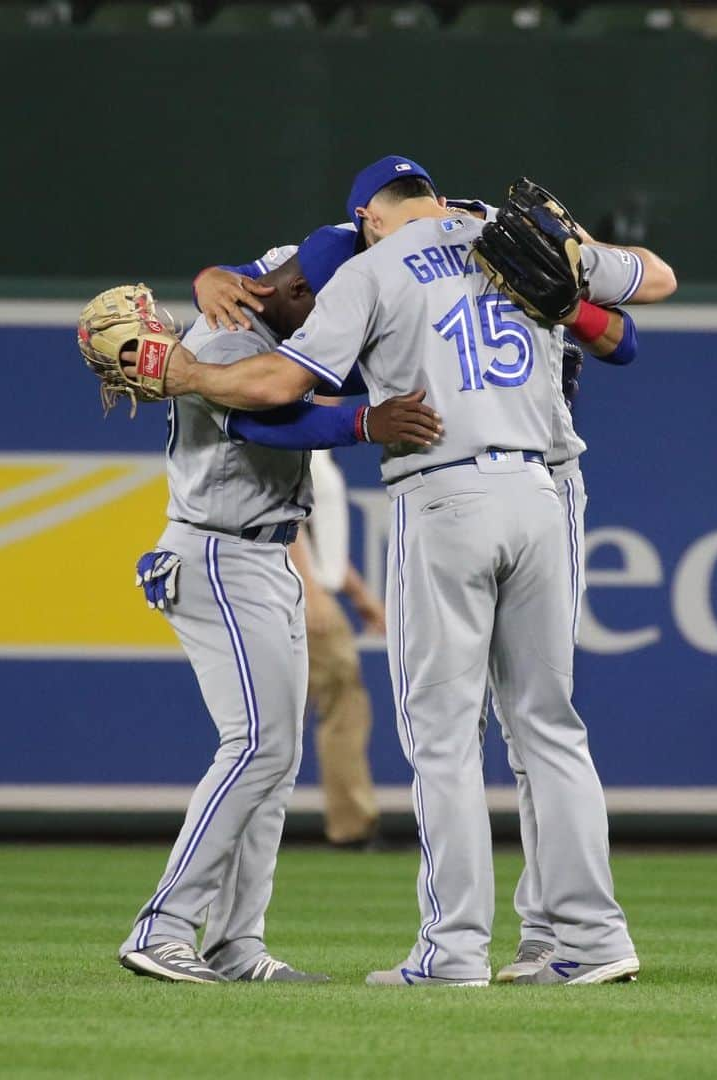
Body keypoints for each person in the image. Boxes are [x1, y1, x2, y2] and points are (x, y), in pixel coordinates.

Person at [133, 155, 676, 986]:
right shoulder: (508, 234)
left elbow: (277, 385)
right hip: (541, 489)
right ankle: (592, 941)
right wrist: (577, 291)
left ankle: (453, 951)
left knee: (445, 739)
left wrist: (184, 374)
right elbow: (656, 287)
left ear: (371, 220)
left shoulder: (373, 267)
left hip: (446, 492)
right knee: (551, 726)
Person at [117, 225, 442, 984]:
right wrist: (367, 418)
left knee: (276, 754)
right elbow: (267, 416)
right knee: (257, 745)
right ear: (299, 295)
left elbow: (301, 254)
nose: (341, 329)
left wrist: (208, 268)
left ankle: (236, 943)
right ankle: (162, 927)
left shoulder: (287, 285)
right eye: (333, 310)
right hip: (220, 550)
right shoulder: (232, 341)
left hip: (263, 553)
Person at [289, 449, 383, 847]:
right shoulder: (296, 443)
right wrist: (310, 591)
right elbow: (285, 519)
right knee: (341, 703)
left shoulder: (319, 450)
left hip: (313, 591)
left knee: (339, 703)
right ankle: (353, 825)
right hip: (297, 595)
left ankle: (353, 823)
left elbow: (320, 535)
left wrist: (359, 594)